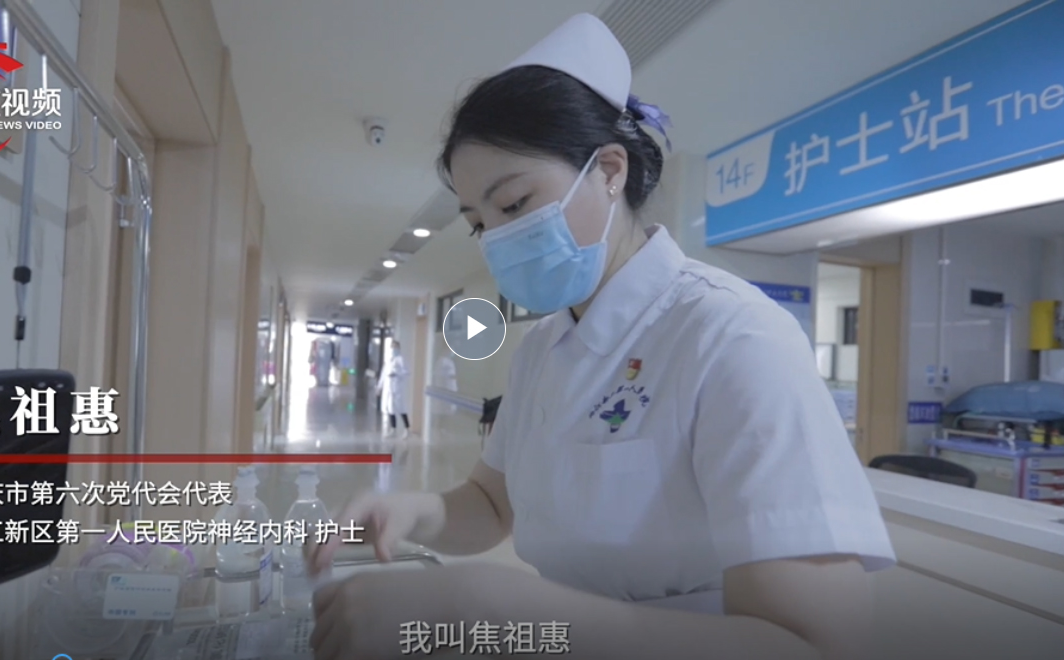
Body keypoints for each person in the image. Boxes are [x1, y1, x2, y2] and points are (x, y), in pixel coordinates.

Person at [308, 13, 894, 660]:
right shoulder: (541, 349)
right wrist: (412, 513)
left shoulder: (733, 336)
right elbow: (491, 503)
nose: (499, 238)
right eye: (479, 223)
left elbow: (812, 642)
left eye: (514, 204)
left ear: (609, 169)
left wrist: (489, 606)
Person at [376, 340, 410, 437]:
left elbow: (407, 372)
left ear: (399, 348)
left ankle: (407, 429)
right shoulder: (388, 360)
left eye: (395, 347)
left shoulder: (401, 359)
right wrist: (379, 387)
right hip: (388, 386)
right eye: (392, 347)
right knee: (390, 408)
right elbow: (383, 374)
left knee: (401, 407)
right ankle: (393, 428)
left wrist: (397, 374)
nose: (393, 349)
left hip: (397, 386)